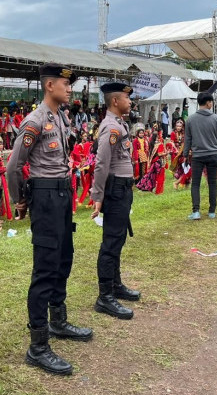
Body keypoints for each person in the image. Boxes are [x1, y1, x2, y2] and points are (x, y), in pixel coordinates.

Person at [7, 63, 93, 377]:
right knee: (45, 268)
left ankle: (58, 321)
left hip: (61, 195)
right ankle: (38, 346)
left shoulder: (58, 117)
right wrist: (20, 199)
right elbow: (14, 166)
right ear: (49, 86)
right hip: (44, 196)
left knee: (63, 259)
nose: (69, 88)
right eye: (65, 83)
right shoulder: (35, 120)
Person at [90, 82, 141, 321]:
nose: (130, 102)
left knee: (118, 238)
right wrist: (97, 196)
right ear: (115, 101)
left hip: (123, 188)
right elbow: (102, 163)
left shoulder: (119, 124)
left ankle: (115, 284)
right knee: (111, 241)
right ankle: (104, 296)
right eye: (126, 98)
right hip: (115, 189)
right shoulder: (110, 127)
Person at [183, 92, 217, 220]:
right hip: (213, 154)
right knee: (212, 183)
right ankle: (212, 212)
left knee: (195, 183)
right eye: (211, 102)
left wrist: (185, 154)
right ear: (208, 103)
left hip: (197, 156)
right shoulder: (215, 118)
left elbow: (188, 139)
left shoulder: (190, 119)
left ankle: (196, 211)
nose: (211, 104)